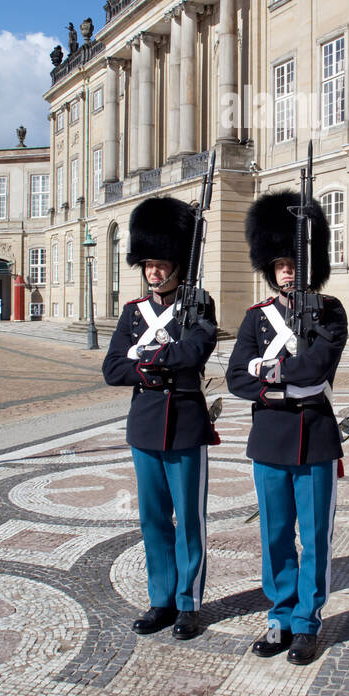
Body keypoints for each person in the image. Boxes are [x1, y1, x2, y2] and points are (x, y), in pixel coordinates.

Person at [226, 190, 349, 666]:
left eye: (295, 262)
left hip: (316, 439)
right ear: (270, 268)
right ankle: (279, 616)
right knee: (275, 535)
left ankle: (306, 622)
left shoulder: (329, 311)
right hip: (270, 441)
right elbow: (237, 376)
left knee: (315, 537)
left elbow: (316, 368)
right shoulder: (256, 318)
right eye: (280, 264)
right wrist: (276, 380)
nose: (288, 271)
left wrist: (268, 371)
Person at [101, 195, 218, 641]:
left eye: (161, 262)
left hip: (186, 423)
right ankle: (161, 599)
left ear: (177, 264)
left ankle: (188, 603)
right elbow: (113, 368)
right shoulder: (133, 313)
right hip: (145, 426)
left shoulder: (198, 305)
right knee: (152, 518)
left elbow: (194, 352)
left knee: (189, 520)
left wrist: (148, 358)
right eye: (147, 263)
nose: (153, 271)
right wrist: (150, 364)